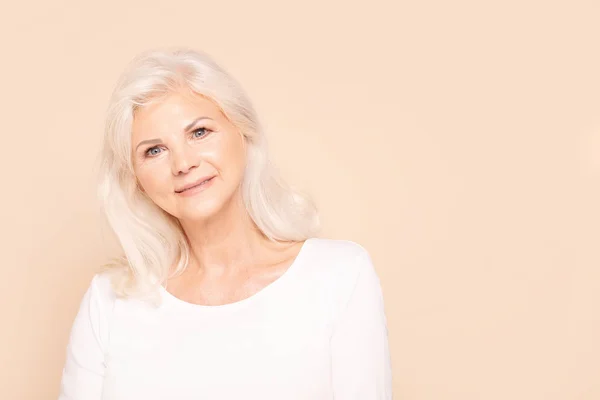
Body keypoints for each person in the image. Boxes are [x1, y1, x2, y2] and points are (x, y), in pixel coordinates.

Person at [58, 48, 392, 400]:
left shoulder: (340, 275)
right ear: (136, 178)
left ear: (243, 133)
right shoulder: (110, 300)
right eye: (154, 150)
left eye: (200, 132)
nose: (183, 163)